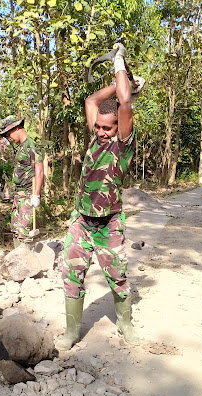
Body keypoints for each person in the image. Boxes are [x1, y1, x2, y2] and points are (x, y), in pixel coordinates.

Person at [57, 43, 143, 351]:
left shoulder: (122, 144)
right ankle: (71, 332)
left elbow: (123, 103)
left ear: (119, 126)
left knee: (117, 278)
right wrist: (126, 82)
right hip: (81, 220)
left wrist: (120, 64)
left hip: (108, 225)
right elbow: (91, 99)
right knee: (71, 272)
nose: (101, 132)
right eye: (98, 127)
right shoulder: (96, 133)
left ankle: (126, 322)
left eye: (107, 128)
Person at [0, 116, 44, 248]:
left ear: (17, 127)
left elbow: (39, 171)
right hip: (19, 194)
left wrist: (36, 194)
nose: (9, 138)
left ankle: (27, 261)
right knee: (15, 227)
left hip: (28, 194)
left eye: (8, 134)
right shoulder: (21, 147)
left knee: (23, 230)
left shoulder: (31, 146)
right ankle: (17, 258)